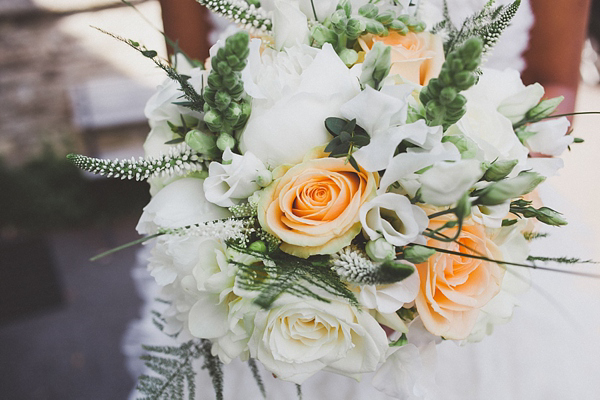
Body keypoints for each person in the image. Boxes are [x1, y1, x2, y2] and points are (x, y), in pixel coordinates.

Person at [124, 1, 598, 399]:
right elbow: (188, 84)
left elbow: (554, 85)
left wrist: (457, 186)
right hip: (255, 243)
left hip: (474, 220)